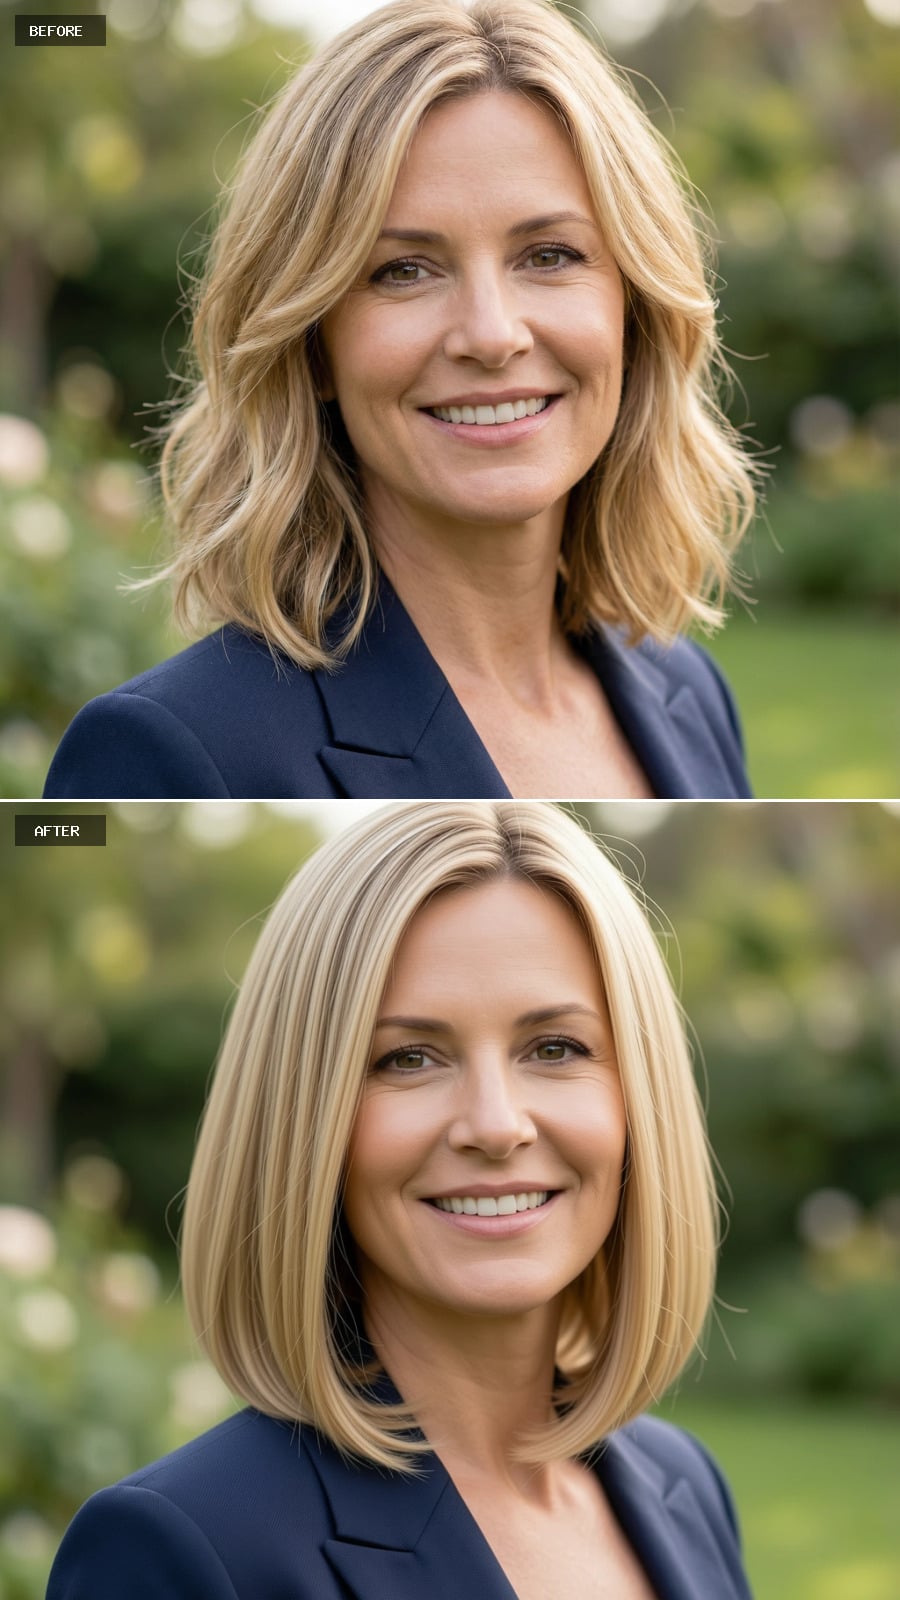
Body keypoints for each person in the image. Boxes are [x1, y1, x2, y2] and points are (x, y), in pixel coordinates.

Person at [44, 0, 763, 803]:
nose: (491, 335)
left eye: (549, 254)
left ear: (634, 308)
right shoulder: (170, 751)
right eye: (403, 271)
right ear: (311, 341)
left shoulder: (690, 694)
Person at [46, 800, 753, 1599]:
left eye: (555, 1048)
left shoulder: (685, 1489)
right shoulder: (180, 1549)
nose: (495, 1125)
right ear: (301, 1119)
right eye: (408, 1058)